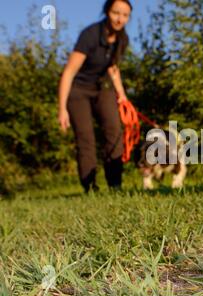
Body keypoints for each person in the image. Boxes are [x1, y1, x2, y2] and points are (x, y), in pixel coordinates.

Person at [58, 0, 132, 193]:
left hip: (102, 88)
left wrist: (123, 96)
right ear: (107, 12)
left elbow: (113, 68)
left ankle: (115, 185)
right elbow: (68, 72)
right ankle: (90, 187)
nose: (120, 19)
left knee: (114, 130)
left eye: (125, 15)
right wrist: (62, 108)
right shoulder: (90, 35)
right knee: (86, 138)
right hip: (78, 90)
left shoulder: (122, 39)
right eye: (116, 13)